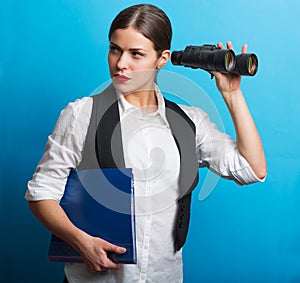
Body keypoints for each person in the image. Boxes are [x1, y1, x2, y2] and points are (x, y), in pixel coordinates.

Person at [25, 4, 267, 283]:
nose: (120, 63)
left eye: (136, 54)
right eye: (115, 49)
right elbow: (40, 194)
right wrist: (81, 241)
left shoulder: (190, 122)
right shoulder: (81, 114)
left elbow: (252, 169)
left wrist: (232, 94)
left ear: (162, 58)